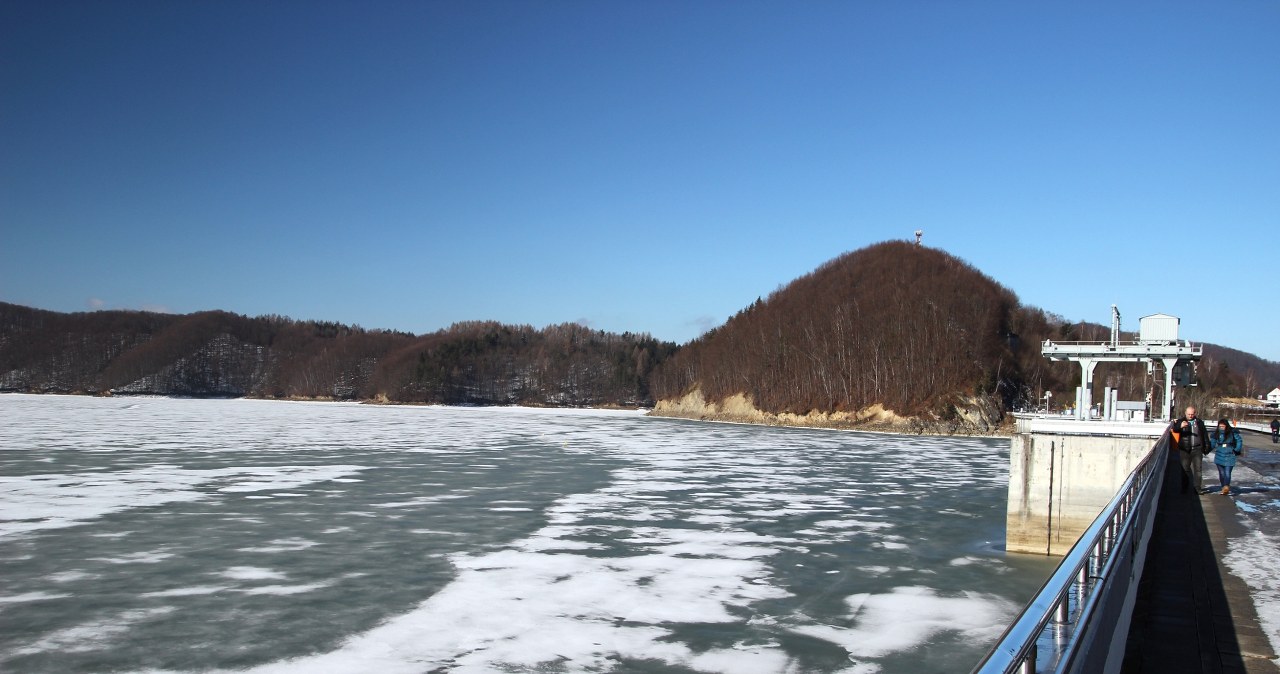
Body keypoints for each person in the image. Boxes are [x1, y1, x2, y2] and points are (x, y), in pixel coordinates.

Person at [1170, 406, 1211, 494]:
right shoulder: (1181, 421)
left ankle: (1197, 488)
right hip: (1185, 449)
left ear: (1195, 413)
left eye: (1192, 414)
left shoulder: (1199, 422)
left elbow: (1204, 435)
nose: (1190, 416)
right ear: (1185, 413)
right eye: (1189, 414)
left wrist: (1207, 446)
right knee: (1185, 470)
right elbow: (1174, 430)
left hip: (1197, 449)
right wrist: (1180, 426)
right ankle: (1184, 488)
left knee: (1198, 470)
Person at [1211, 418, 1243, 495]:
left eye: (1223, 426)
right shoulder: (1216, 434)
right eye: (1220, 426)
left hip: (1230, 454)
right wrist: (1206, 450)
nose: (1221, 428)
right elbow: (1212, 444)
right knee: (1221, 473)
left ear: (1226, 426)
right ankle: (1223, 487)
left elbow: (1239, 440)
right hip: (1219, 454)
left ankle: (1226, 486)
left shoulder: (1232, 433)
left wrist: (1237, 449)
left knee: (1227, 472)